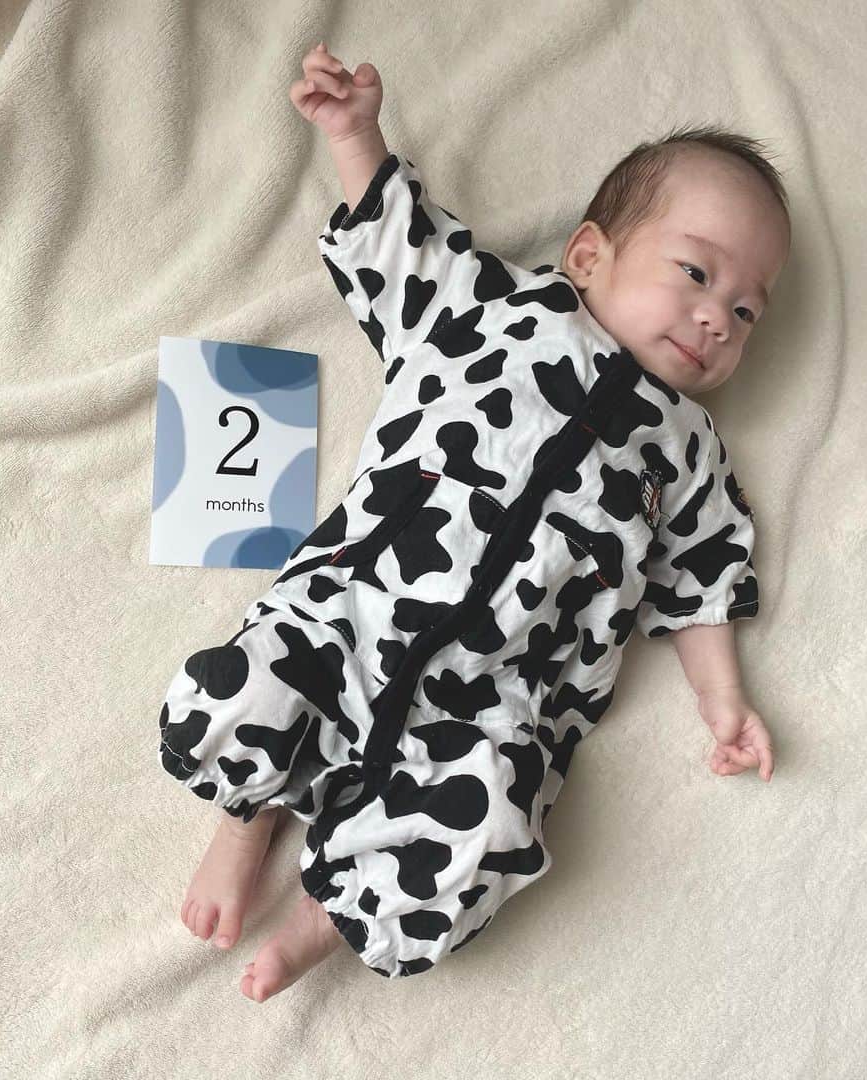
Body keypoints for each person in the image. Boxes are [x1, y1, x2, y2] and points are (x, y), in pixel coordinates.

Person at [157, 41, 785, 1002]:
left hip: (494, 703)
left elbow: (703, 578)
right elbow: (400, 246)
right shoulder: (490, 311)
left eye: (746, 312)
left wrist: (724, 699)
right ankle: (247, 820)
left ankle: (326, 918)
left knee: (484, 825)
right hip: (358, 605)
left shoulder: (688, 449)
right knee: (257, 680)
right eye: (696, 273)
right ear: (589, 256)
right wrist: (355, 136)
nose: (717, 321)